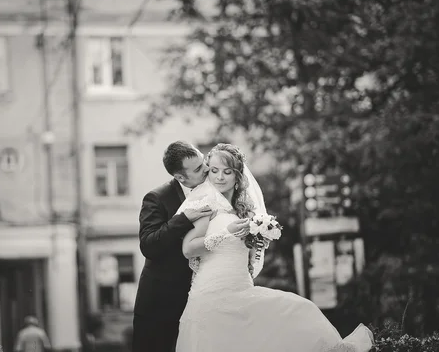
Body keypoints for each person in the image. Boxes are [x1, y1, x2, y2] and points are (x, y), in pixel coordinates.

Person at [175, 143, 374, 352]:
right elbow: (188, 249)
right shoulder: (205, 205)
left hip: (242, 291)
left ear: (237, 176)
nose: (220, 177)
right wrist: (227, 233)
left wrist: (255, 245)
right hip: (212, 296)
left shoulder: (244, 212)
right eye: (214, 171)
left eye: (227, 172)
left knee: (301, 311)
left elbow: (245, 257)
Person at [132, 141, 251, 352]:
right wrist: (184, 218)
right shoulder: (157, 198)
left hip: (207, 292)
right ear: (180, 177)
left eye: (203, 161)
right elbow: (149, 245)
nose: (206, 169)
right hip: (161, 302)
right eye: (198, 169)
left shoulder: (219, 191)